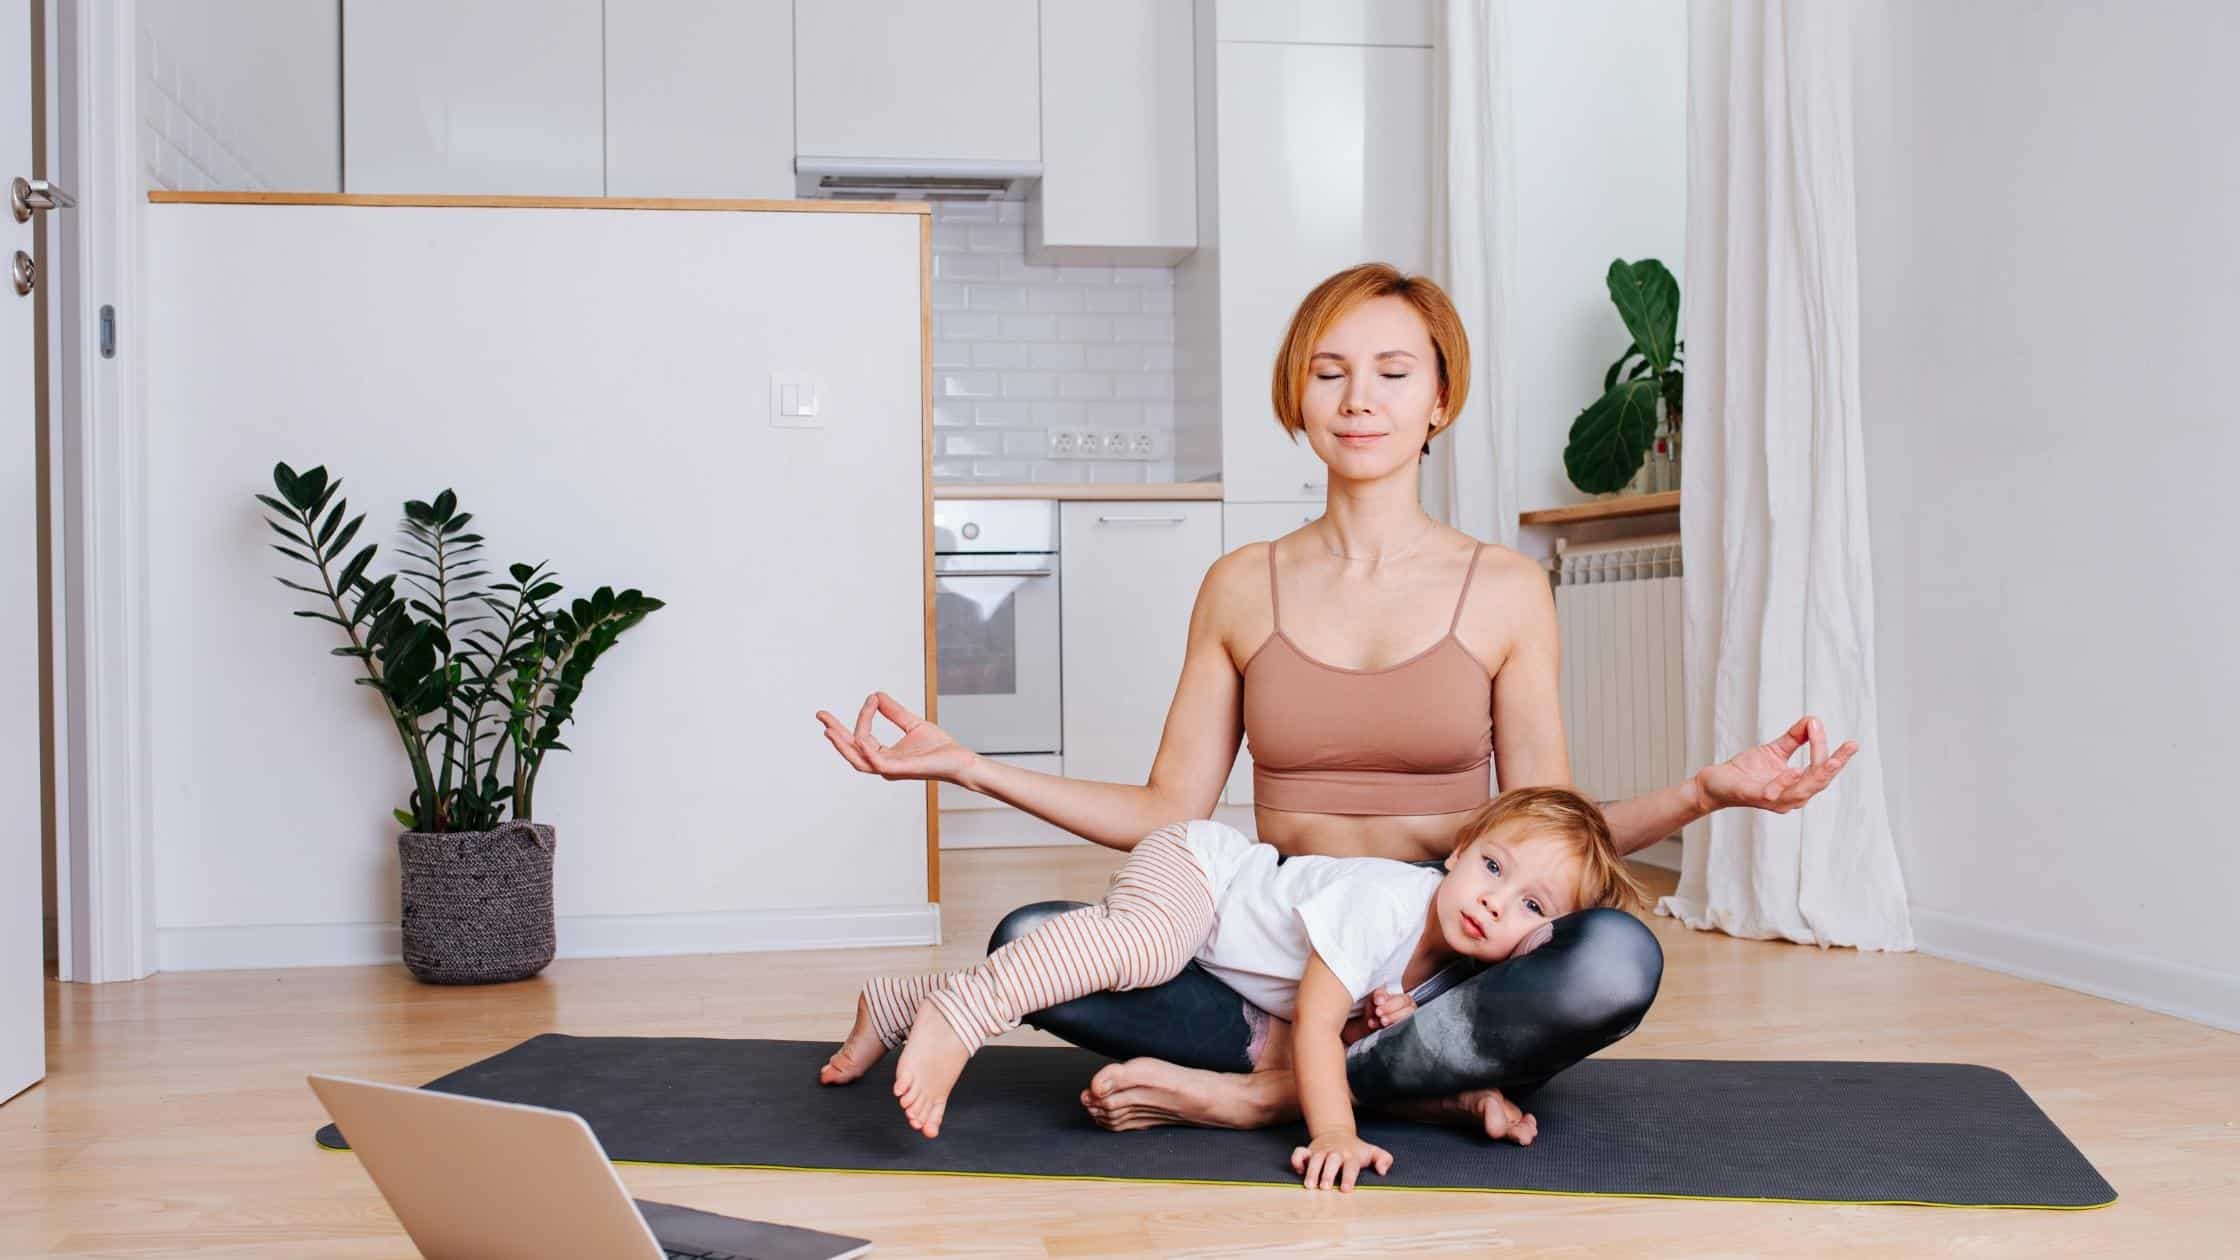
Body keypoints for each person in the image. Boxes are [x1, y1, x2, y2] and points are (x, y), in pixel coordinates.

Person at [815, 262, 1858, 1139]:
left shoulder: (1501, 590)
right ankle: (1359, 1076)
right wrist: (966, 768)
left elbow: (1551, 836)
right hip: (1271, 964)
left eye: (1392, 373)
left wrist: (1710, 792)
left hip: (1436, 963)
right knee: (1033, 933)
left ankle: (1259, 1094)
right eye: (1330, 373)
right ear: (1297, 398)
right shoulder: (1239, 584)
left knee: (1612, 957)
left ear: (1437, 400)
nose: (1359, 399)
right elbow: (1164, 815)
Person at [821, 788, 1646, 1191]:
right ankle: (961, 1013)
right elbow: (1321, 1027)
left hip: (1232, 978)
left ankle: (898, 1003)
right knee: (1140, 945)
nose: (1495, 900)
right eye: (1494, 867)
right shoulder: (1386, 901)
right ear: (1462, 849)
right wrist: (1333, 1135)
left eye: (1529, 906)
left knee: (1271, 1027)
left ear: (1539, 942)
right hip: (1203, 875)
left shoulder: (1461, 969)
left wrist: (1454, 1080)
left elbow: (1375, 1044)